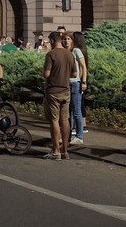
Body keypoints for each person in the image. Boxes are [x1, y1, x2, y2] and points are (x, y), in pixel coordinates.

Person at [42, 32, 76, 160]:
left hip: (53, 91)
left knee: (54, 120)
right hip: (66, 90)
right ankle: (65, 150)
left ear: (51, 40)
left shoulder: (51, 54)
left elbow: (46, 74)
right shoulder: (69, 54)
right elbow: (74, 74)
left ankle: (56, 151)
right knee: (65, 120)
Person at [67, 32, 88, 145]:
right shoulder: (66, 52)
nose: (66, 41)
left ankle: (79, 136)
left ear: (72, 40)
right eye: (64, 39)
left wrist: (84, 81)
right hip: (67, 84)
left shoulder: (76, 51)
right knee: (69, 111)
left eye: (68, 39)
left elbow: (83, 66)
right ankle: (68, 135)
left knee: (77, 111)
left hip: (76, 83)